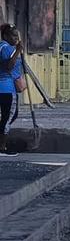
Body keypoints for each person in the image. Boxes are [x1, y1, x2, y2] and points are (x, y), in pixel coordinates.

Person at [0, 25, 23, 156]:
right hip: (6, 89)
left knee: (6, 117)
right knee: (9, 116)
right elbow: (9, 66)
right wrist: (18, 51)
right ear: (5, 36)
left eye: (17, 36)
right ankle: (2, 147)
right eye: (14, 36)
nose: (16, 39)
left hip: (6, 87)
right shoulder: (5, 48)